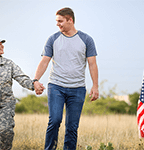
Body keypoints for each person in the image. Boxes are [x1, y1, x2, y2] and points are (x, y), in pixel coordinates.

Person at [33, 7, 99, 150]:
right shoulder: (53, 39)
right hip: (56, 86)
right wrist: (36, 79)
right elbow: (45, 61)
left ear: (70, 20)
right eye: (57, 22)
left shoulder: (86, 39)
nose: (58, 24)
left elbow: (92, 64)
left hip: (78, 89)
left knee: (72, 126)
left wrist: (95, 86)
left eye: (60, 21)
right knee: (55, 120)